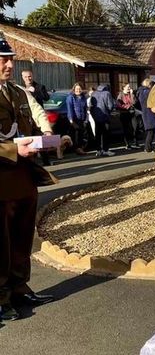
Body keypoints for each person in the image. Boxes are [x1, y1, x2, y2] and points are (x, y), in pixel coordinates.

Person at [0, 35, 56, 322]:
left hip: (23, 177)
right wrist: (12, 148)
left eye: (10, 58)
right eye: (3, 59)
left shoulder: (18, 92)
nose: (9, 64)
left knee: (22, 236)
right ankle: (1, 298)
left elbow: (30, 125)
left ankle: (19, 287)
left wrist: (48, 140)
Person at [89, 84, 115, 157]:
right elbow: (110, 106)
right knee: (105, 133)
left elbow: (91, 105)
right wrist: (109, 111)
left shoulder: (94, 93)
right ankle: (105, 150)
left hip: (96, 117)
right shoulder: (107, 93)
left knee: (98, 133)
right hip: (105, 116)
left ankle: (98, 150)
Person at [136, 78, 155, 152]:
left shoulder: (139, 92)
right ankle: (148, 147)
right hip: (150, 112)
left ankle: (147, 146)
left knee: (149, 131)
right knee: (151, 131)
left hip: (144, 112)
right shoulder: (148, 92)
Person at [117, 83, 140, 150]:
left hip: (132, 113)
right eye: (128, 87)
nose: (129, 88)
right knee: (126, 129)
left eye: (130, 87)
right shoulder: (120, 95)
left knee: (135, 128)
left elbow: (134, 102)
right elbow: (119, 104)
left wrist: (132, 94)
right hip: (124, 113)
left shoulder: (131, 94)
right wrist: (128, 106)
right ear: (123, 88)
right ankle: (128, 144)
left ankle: (135, 142)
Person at [66, 82, 87, 155]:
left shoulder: (83, 97)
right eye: (77, 89)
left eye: (80, 89)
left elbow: (85, 108)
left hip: (81, 119)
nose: (78, 90)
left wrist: (85, 119)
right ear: (74, 89)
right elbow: (70, 109)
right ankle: (78, 149)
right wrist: (71, 120)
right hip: (74, 119)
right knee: (76, 135)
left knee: (81, 134)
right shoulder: (70, 97)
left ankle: (79, 148)